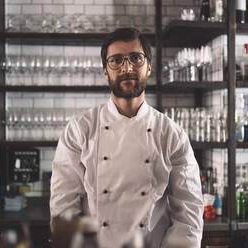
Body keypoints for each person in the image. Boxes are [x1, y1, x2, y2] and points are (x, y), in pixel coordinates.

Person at [50, 28, 203, 248]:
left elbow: (189, 212)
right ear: (105, 71)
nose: (127, 67)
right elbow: (64, 207)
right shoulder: (79, 130)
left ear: (148, 66)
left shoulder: (171, 134)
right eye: (116, 60)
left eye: (135, 58)